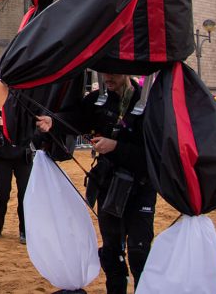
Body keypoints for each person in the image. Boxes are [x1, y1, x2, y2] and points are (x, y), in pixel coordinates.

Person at [36, 73, 155, 294]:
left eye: (113, 73)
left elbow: (152, 154)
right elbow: (76, 119)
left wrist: (116, 147)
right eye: (104, 72)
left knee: (140, 252)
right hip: (109, 185)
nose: (108, 77)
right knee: (112, 253)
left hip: (140, 188)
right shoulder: (98, 100)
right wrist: (53, 121)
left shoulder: (147, 102)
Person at [0, 109, 32, 244]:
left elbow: (32, 129)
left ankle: (24, 230)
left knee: (24, 195)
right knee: (2, 193)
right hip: (2, 156)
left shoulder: (25, 107)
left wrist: (9, 124)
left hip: (23, 157)